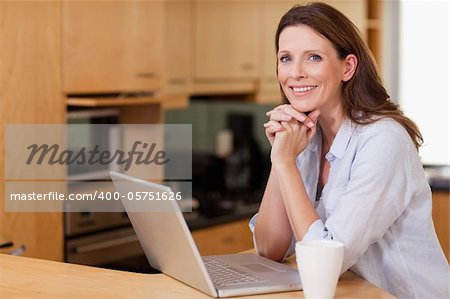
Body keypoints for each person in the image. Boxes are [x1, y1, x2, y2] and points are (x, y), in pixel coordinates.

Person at [249, 3, 449, 298]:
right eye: (286, 58)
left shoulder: (383, 141)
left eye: (313, 57)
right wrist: (282, 158)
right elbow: (269, 249)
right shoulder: (305, 137)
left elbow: (327, 261)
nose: (296, 73)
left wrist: (285, 163)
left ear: (348, 67)